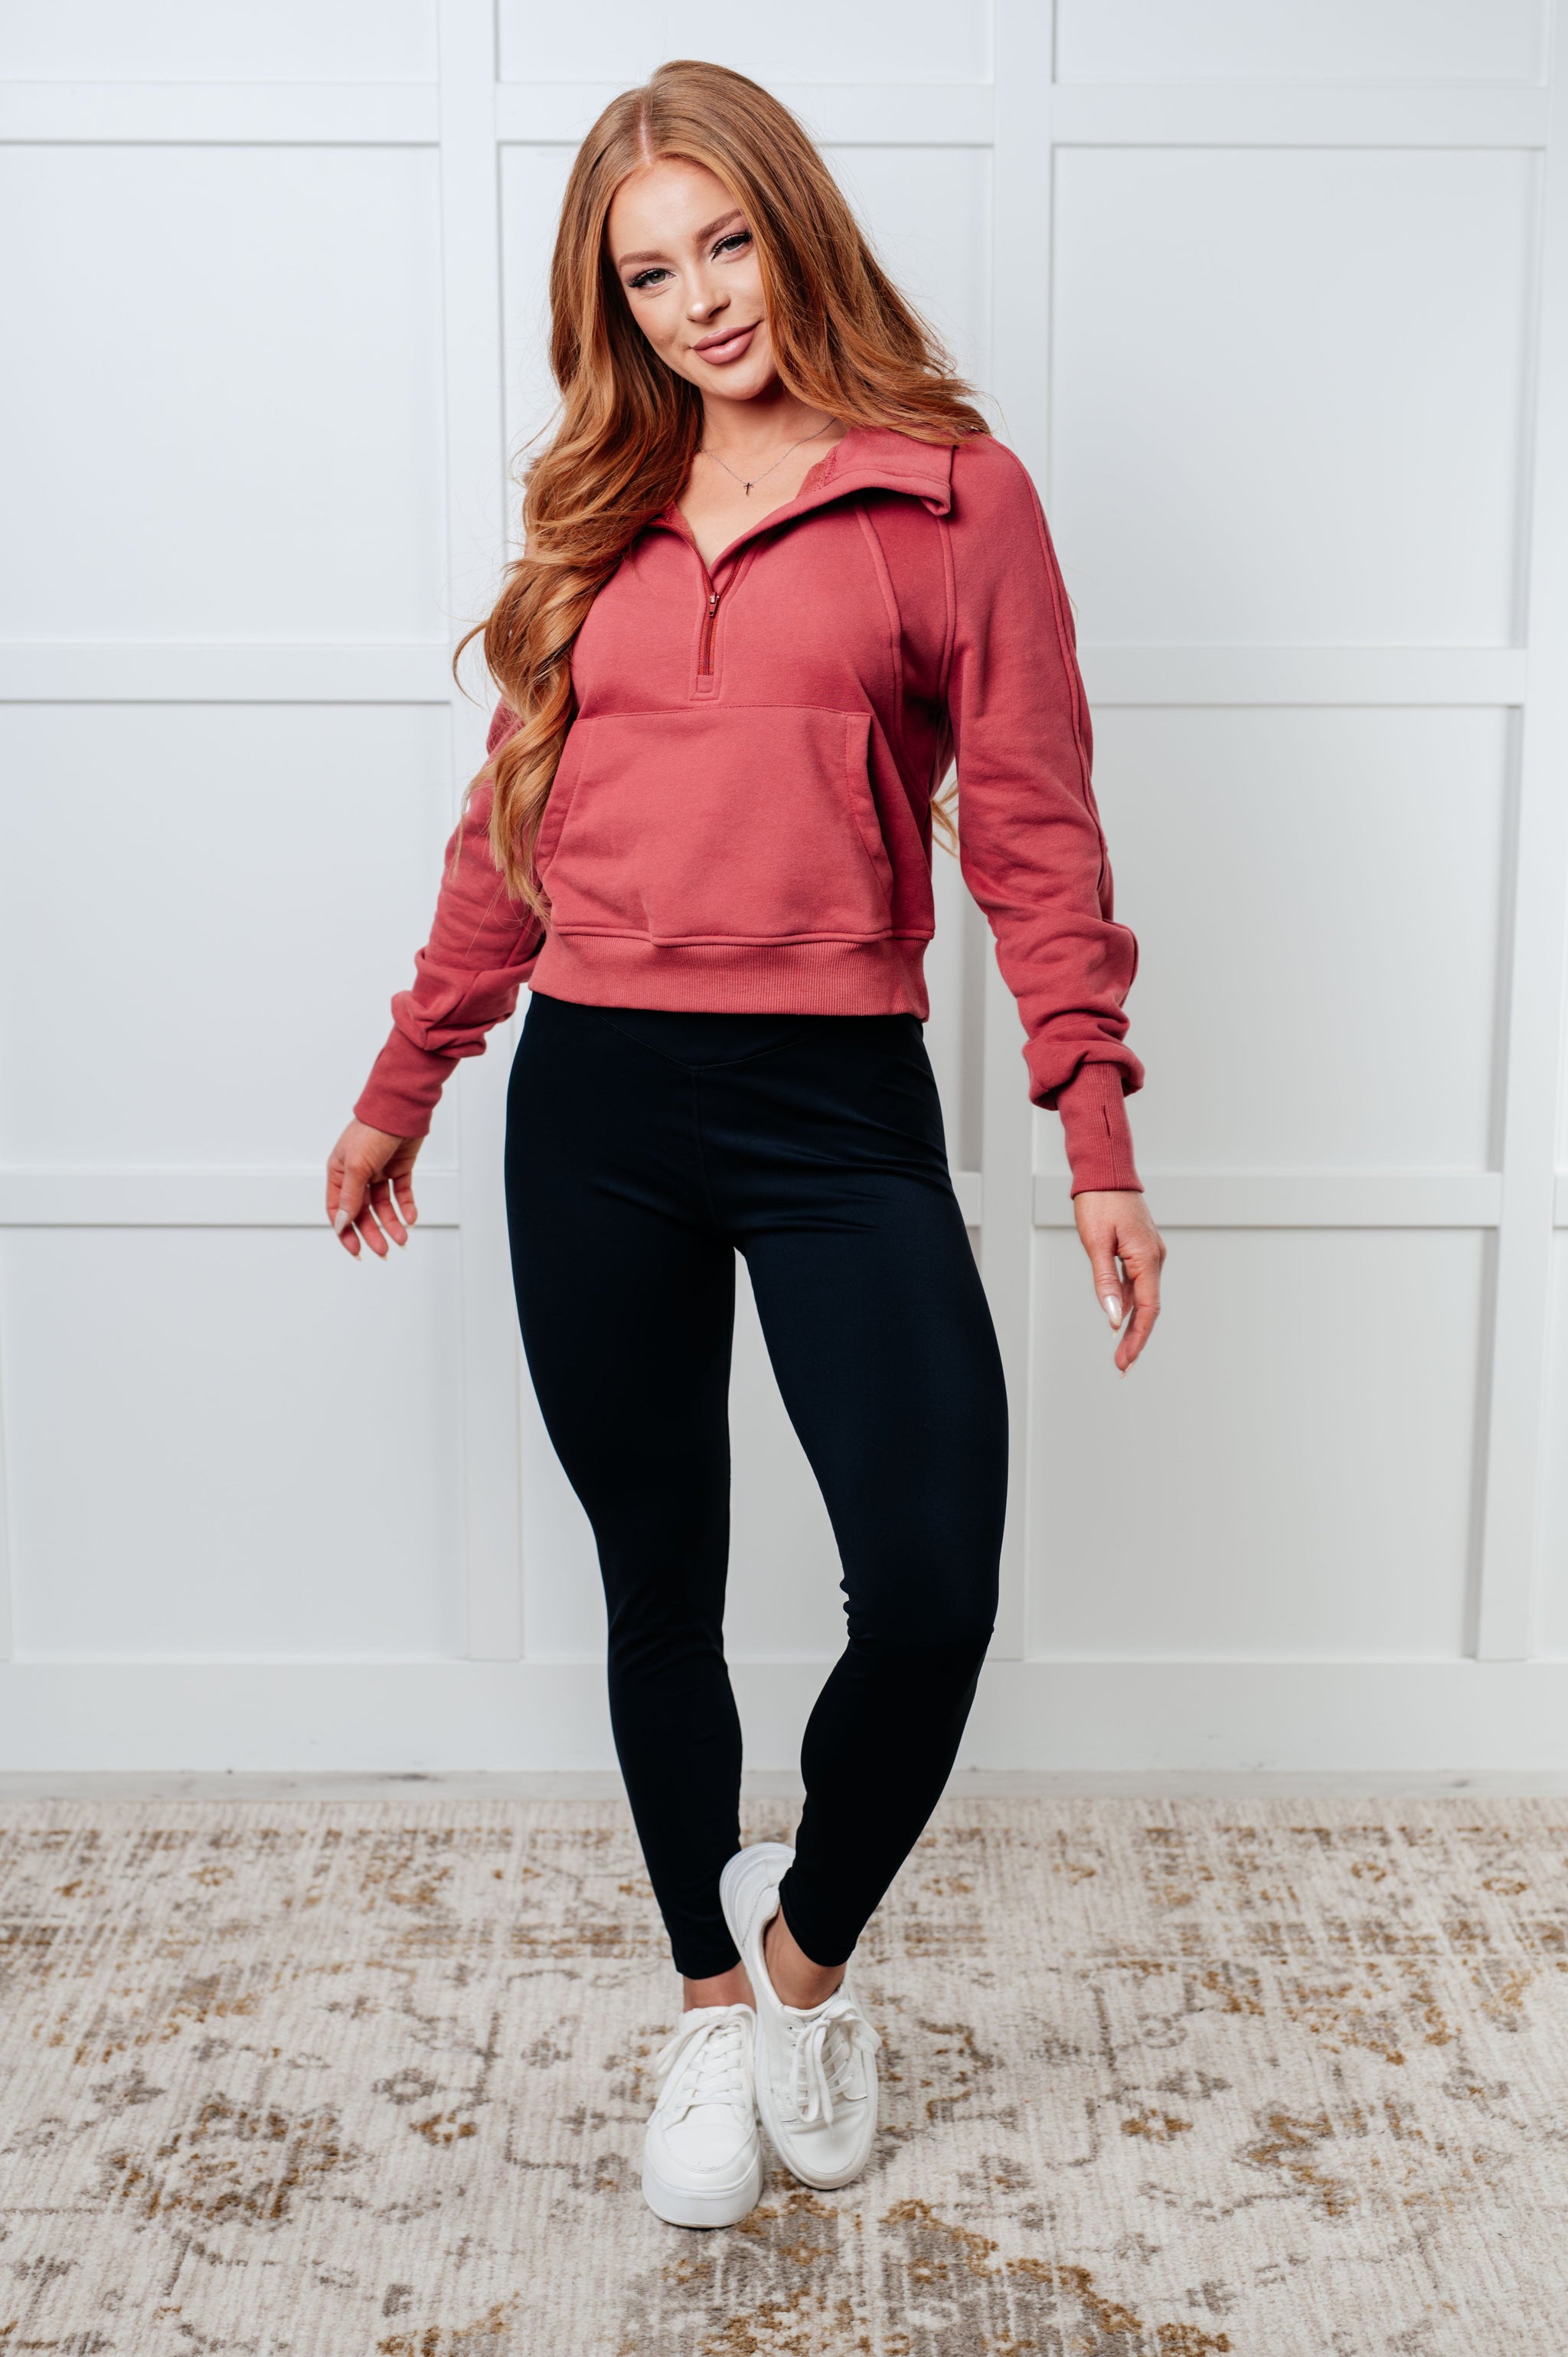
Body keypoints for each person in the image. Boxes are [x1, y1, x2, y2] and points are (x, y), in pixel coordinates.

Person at [326, 59, 1165, 2231]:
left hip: (834, 1106)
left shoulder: (954, 499)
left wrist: (1092, 1125)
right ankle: (706, 2011)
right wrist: (411, 1075)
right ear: (608, 304)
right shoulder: (598, 507)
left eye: (725, 244)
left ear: (794, 229)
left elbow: (1038, 828)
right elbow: (508, 828)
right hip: (596, 1103)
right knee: (661, 1583)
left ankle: (799, 1967)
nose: (701, 300)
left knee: (935, 1585)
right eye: (649, 273)